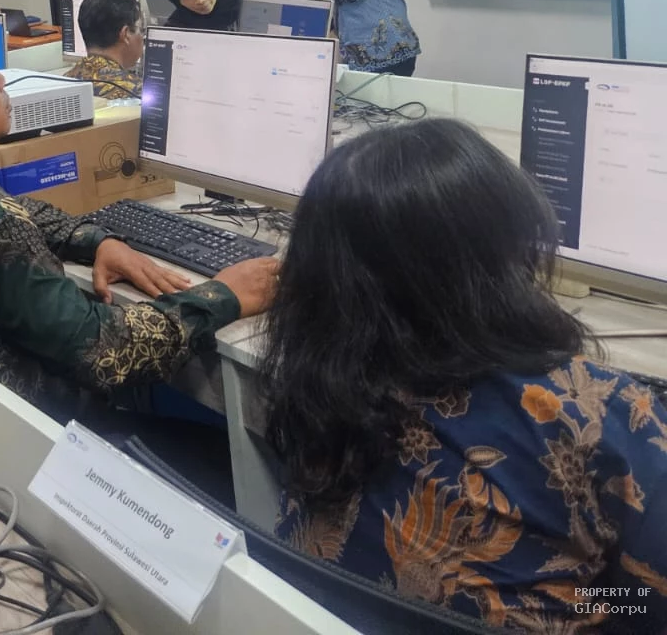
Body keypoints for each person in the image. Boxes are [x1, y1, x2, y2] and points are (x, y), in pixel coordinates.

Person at [259, 120, 667, 632]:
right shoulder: (597, 411)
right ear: (498, 258)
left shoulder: (320, 379)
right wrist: (585, 600)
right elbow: (649, 602)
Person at [0, 20, 278, 427]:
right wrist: (224, 295)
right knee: (232, 445)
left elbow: (15, 209)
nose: (2, 81)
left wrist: (97, 241)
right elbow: (108, 352)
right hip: (43, 434)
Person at [63, 0, 144, 101]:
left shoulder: (64, 81)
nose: (143, 37)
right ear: (125, 34)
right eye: (142, 30)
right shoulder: (138, 91)